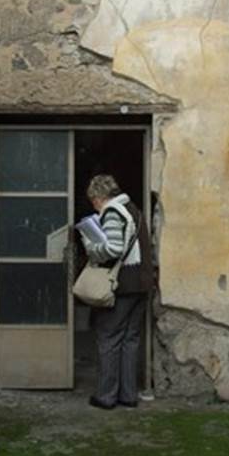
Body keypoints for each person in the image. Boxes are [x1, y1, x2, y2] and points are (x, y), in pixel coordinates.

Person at [81, 174, 153, 410]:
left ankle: (106, 396)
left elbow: (113, 248)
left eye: (93, 200)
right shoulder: (133, 209)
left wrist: (91, 247)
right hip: (141, 282)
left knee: (109, 338)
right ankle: (128, 395)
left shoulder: (113, 212)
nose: (94, 205)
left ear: (99, 196)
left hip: (123, 284)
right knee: (130, 340)